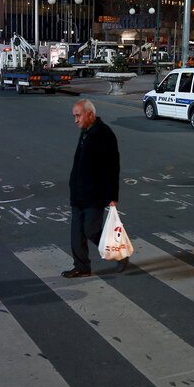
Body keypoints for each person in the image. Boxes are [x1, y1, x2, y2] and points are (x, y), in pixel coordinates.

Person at [64, 99, 123, 278]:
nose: (75, 120)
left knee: (91, 230)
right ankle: (82, 267)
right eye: (74, 116)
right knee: (76, 234)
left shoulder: (104, 134)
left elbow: (112, 167)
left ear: (90, 114)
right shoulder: (86, 131)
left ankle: (119, 254)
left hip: (95, 195)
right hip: (79, 194)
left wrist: (112, 196)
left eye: (78, 115)